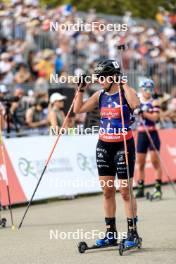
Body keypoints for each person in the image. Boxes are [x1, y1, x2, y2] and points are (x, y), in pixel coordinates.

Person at [74, 59, 141, 247]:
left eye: (103, 76)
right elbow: (78, 110)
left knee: (125, 192)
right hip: (104, 145)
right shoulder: (99, 95)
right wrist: (79, 90)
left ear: (113, 76)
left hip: (124, 146)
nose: (100, 80)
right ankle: (111, 234)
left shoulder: (124, 92)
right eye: (98, 77)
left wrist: (123, 83)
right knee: (107, 190)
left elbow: (135, 104)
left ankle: (133, 233)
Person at [135, 78, 162, 199]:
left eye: (150, 88)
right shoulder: (137, 101)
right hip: (141, 134)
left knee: (155, 161)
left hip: (152, 133)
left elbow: (156, 117)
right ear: (141, 89)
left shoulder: (155, 101)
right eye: (146, 89)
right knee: (140, 163)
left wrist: (144, 113)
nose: (148, 91)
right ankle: (140, 187)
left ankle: (157, 188)